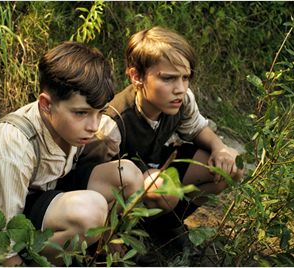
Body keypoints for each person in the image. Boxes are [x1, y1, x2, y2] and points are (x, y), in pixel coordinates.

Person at [0, 41, 144, 266]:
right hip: (9, 225)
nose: (93, 125)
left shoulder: (69, 126)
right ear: (46, 104)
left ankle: (105, 254)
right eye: (81, 113)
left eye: (99, 113)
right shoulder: (9, 147)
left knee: (127, 174)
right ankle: (42, 261)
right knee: (91, 211)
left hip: (48, 194)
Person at [81, 26, 244, 250]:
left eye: (185, 77)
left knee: (228, 167)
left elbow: (196, 128)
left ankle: (166, 226)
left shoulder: (182, 99)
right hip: (124, 194)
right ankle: (123, 239)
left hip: (157, 168)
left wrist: (220, 148)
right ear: (136, 76)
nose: (180, 88)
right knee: (160, 187)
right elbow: (91, 187)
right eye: (168, 79)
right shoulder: (111, 124)